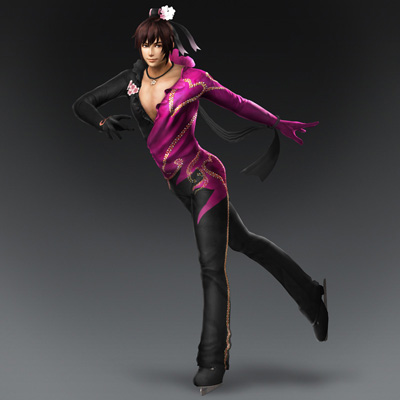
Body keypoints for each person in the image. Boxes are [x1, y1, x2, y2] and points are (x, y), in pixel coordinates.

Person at [72, 5, 328, 396]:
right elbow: (83, 102)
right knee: (244, 241)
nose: (150, 51)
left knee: (211, 267)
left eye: (157, 44)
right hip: (177, 184)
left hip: (203, 179)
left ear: (169, 45)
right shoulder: (132, 80)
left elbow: (237, 102)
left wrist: (276, 122)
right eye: (145, 44)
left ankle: (212, 360)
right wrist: (102, 122)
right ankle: (310, 293)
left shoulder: (194, 81)